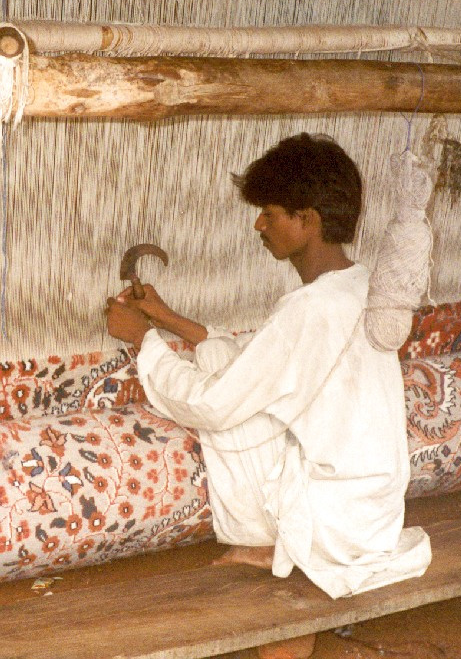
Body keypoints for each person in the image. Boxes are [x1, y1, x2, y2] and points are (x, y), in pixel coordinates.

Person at [106, 133, 431, 602]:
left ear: (307, 221)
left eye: (270, 213)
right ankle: (278, 544)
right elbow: (263, 359)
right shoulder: (358, 286)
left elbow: (214, 405)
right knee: (222, 361)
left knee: (228, 408)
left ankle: (264, 542)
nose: (258, 224)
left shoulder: (308, 309)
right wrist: (166, 317)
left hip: (332, 528)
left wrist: (142, 340)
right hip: (372, 516)